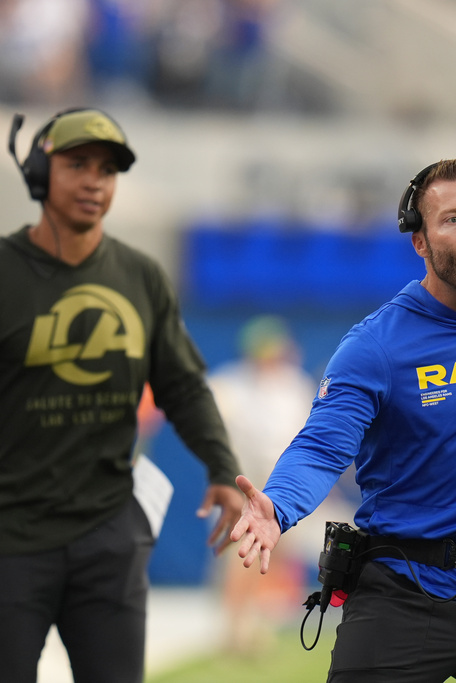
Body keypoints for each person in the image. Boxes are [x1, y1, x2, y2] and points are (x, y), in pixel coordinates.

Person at [230, 158, 456, 683]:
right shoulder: (374, 345)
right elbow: (320, 448)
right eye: (452, 219)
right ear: (420, 242)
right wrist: (279, 507)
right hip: (401, 593)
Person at [0, 107, 245, 683]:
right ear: (39, 172)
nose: (94, 181)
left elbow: (182, 383)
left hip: (107, 538)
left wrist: (221, 465)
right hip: (9, 540)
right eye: (77, 164)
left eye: (108, 170)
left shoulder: (140, 275)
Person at [209, 314, 352, 653]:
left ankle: (258, 624)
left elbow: (310, 440)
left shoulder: (293, 384)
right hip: (249, 483)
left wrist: (319, 483)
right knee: (241, 556)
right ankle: (234, 629)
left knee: (285, 552)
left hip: (290, 482)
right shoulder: (232, 385)